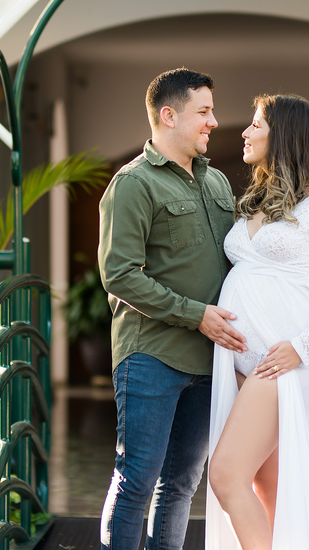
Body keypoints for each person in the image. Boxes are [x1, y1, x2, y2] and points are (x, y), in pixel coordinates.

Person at [206, 94, 309, 550]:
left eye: (256, 124)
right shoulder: (255, 200)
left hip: (283, 363)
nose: (245, 132)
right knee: (268, 489)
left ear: (282, 133)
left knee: (225, 476)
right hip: (239, 363)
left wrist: (303, 347)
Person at [98, 67, 246, 550]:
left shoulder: (217, 182)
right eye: (203, 112)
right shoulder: (132, 184)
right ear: (169, 115)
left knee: (181, 484)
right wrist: (195, 314)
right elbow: (120, 275)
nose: (213, 122)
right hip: (151, 355)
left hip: (208, 359)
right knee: (137, 478)